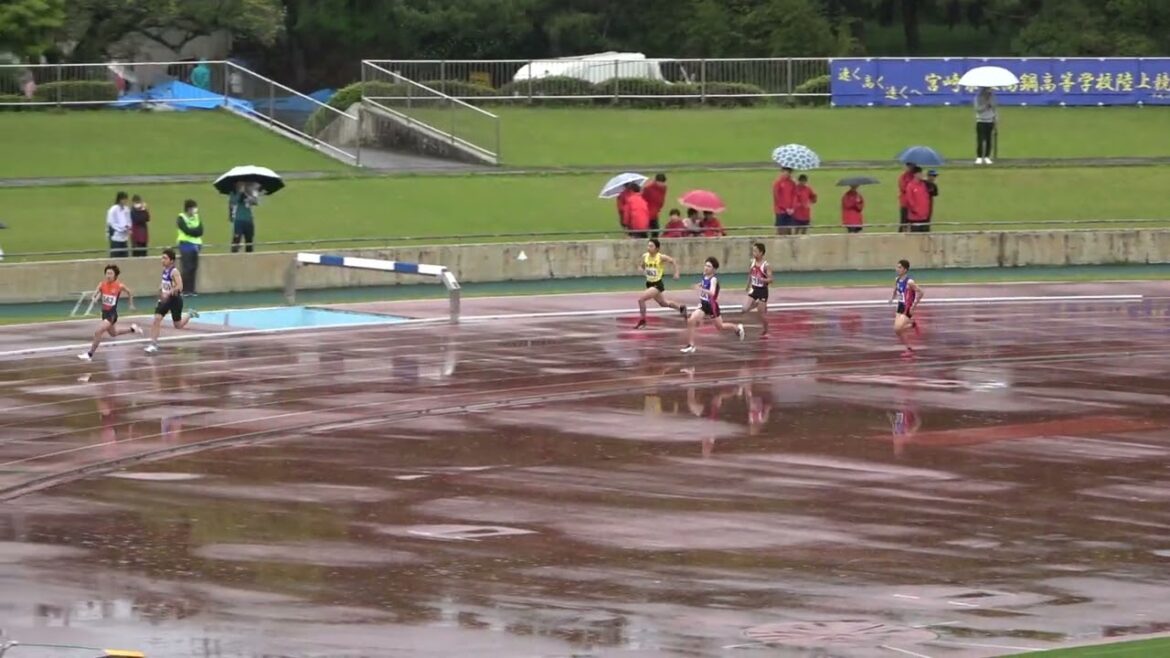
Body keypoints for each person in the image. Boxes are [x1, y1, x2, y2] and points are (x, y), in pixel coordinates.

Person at [680, 257, 745, 354]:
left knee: (720, 327)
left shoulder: (713, 279)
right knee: (691, 320)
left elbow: (712, 292)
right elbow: (703, 283)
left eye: (709, 266)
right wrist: (698, 285)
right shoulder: (704, 275)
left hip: (711, 306)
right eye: (705, 265)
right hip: (703, 304)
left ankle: (737, 328)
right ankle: (691, 345)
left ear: (713, 269)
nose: (706, 268)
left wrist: (700, 289)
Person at [78, 264, 141, 361]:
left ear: (115, 275)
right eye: (107, 273)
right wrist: (94, 298)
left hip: (112, 314)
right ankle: (133, 329)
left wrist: (131, 304)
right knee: (113, 333)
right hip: (104, 313)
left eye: (111, 273)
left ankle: (90, 354)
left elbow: (129, 292)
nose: (108, 275)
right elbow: (97, 293)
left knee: (98, 331)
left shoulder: (119, 285)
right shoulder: (102, 284)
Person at [144, 249, 200, 354]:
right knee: (157, 319)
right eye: (162, 258)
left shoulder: (174, 271)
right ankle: (153, 345)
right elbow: (164, 284)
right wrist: (160, 292)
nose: (162, 260)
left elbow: (180, 286)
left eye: (165, 258)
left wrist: (169, 293)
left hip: (175, 300)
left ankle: (189, 314)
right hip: (165, 300)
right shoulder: (164, 270)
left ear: (171, 261)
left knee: (178, 325)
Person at [634, 238, 687, 329]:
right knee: (663, 303)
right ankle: (681, 308)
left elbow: (673, 261)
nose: (648, 247)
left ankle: (643, 321)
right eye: (648, 245)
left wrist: (676, 273)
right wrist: (641, 269)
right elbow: (642, 266)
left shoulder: (661, 257)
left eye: (651, 246)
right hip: (649, 284)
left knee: (641, 300)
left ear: (657, 248)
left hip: (657, 284)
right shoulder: (645, 256)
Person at [890, 259, 923, 357]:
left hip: (907, 307)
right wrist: (892, 298)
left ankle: (912, 324)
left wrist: (914, 306)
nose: (897, 269)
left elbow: (921, 292)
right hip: (900, 306)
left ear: (905, 269)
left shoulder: (910, 282)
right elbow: (895, 289)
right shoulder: (896, 279)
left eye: (899, 267)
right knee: (897, 330)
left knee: (898, 327)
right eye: (897, 267)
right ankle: (909, 349)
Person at [743, 242, 772, 337]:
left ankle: (766, 329)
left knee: (761, 314)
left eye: (755, 251)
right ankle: (758, 304)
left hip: (763, 291)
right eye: (753, 251)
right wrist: (747, 286)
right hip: (754, 289)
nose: (753, 253)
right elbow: (750, 274)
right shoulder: (752, 262)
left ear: (761, 253)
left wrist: (763, 279)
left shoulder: (766, 265)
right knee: (744, 309)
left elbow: (771, 279)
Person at [176, 199, 203, 296]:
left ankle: (191, 290)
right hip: (186, 245)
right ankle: (184, 290)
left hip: (196, 245)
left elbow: (200, 230)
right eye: (193, 208)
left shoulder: (196, 217)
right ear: (188, 209)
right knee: (187, 268)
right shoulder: (181, 218)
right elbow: (186, 230)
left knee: (193, 268)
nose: (195, 210)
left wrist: (194, 232)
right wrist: (194, 232)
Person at [230, 182, 258, 253]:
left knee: (249, 241)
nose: (242, 185)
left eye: (243, 184)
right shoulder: (234, 193)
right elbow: (233, 202)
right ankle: (233, 256)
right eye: (240, 184)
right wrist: (240, 193)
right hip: (239, 219)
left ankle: (249, 258)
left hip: (249, 220)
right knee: (236, 239)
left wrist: (246, 194)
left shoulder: (251, 192)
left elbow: (255, 202)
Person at [905, 167, 932, 233]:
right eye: (920, 173)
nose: (921, 175)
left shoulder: (924, 185)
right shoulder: (910, 186)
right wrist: (916, 210)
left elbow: (927, 197)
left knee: (925, 236)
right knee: (915, 236)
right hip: (915, 217)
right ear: (915, 174)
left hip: (924, 216)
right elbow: (909, 200)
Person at [641, 174, 668, 238]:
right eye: (660, 182)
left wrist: (659, 208)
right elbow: (643, 200)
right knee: (644, 232)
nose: (661, 184)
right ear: (656, 181)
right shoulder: (648, 189)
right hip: (647, 213)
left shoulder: (664, 188)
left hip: (655, 213)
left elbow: (661, 199)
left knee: (655, 231)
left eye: (663, 183)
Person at [975, 87, 997, 165]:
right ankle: (979, 157)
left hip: (990, 121)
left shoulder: (992, 97)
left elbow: (994, 109)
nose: (989, 91)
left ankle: (987, 157)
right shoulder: (978, 98)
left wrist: (995, 120)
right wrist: (986, 106)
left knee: (989, 140)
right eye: (988, 90)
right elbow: (978, 109)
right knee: (980, 140)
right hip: (981, 121)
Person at [772, 167, 797, 236]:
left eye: (789, 172)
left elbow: (794, 196)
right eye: (785, 172)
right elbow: (777, 198)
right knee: (781, 230)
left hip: (790, 211)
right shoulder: (777, 183)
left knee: (789, 230)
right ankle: (778, 244)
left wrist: (792, 208)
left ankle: (789, 245)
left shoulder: (792, 183)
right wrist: (785, 208)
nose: (787, 174)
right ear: (782, 172)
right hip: (780, 211)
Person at [106, 191, 131, 258]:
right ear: (120, 200)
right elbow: (111, 223)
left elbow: (129, 221)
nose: (126, 201)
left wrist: (128, 227)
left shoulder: (126, 209)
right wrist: (121, 229)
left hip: (124, 238)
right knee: (115, 258)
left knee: (125, 258)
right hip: (116, 238)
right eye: (124, 199)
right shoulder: (113, 210)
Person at [897, 162, 915, 233]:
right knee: (903, 220)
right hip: (905, 202)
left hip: (913, 203)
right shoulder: (903, 177)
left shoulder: (914, 176)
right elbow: (903, 188)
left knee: (913, 220)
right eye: (908, 166)